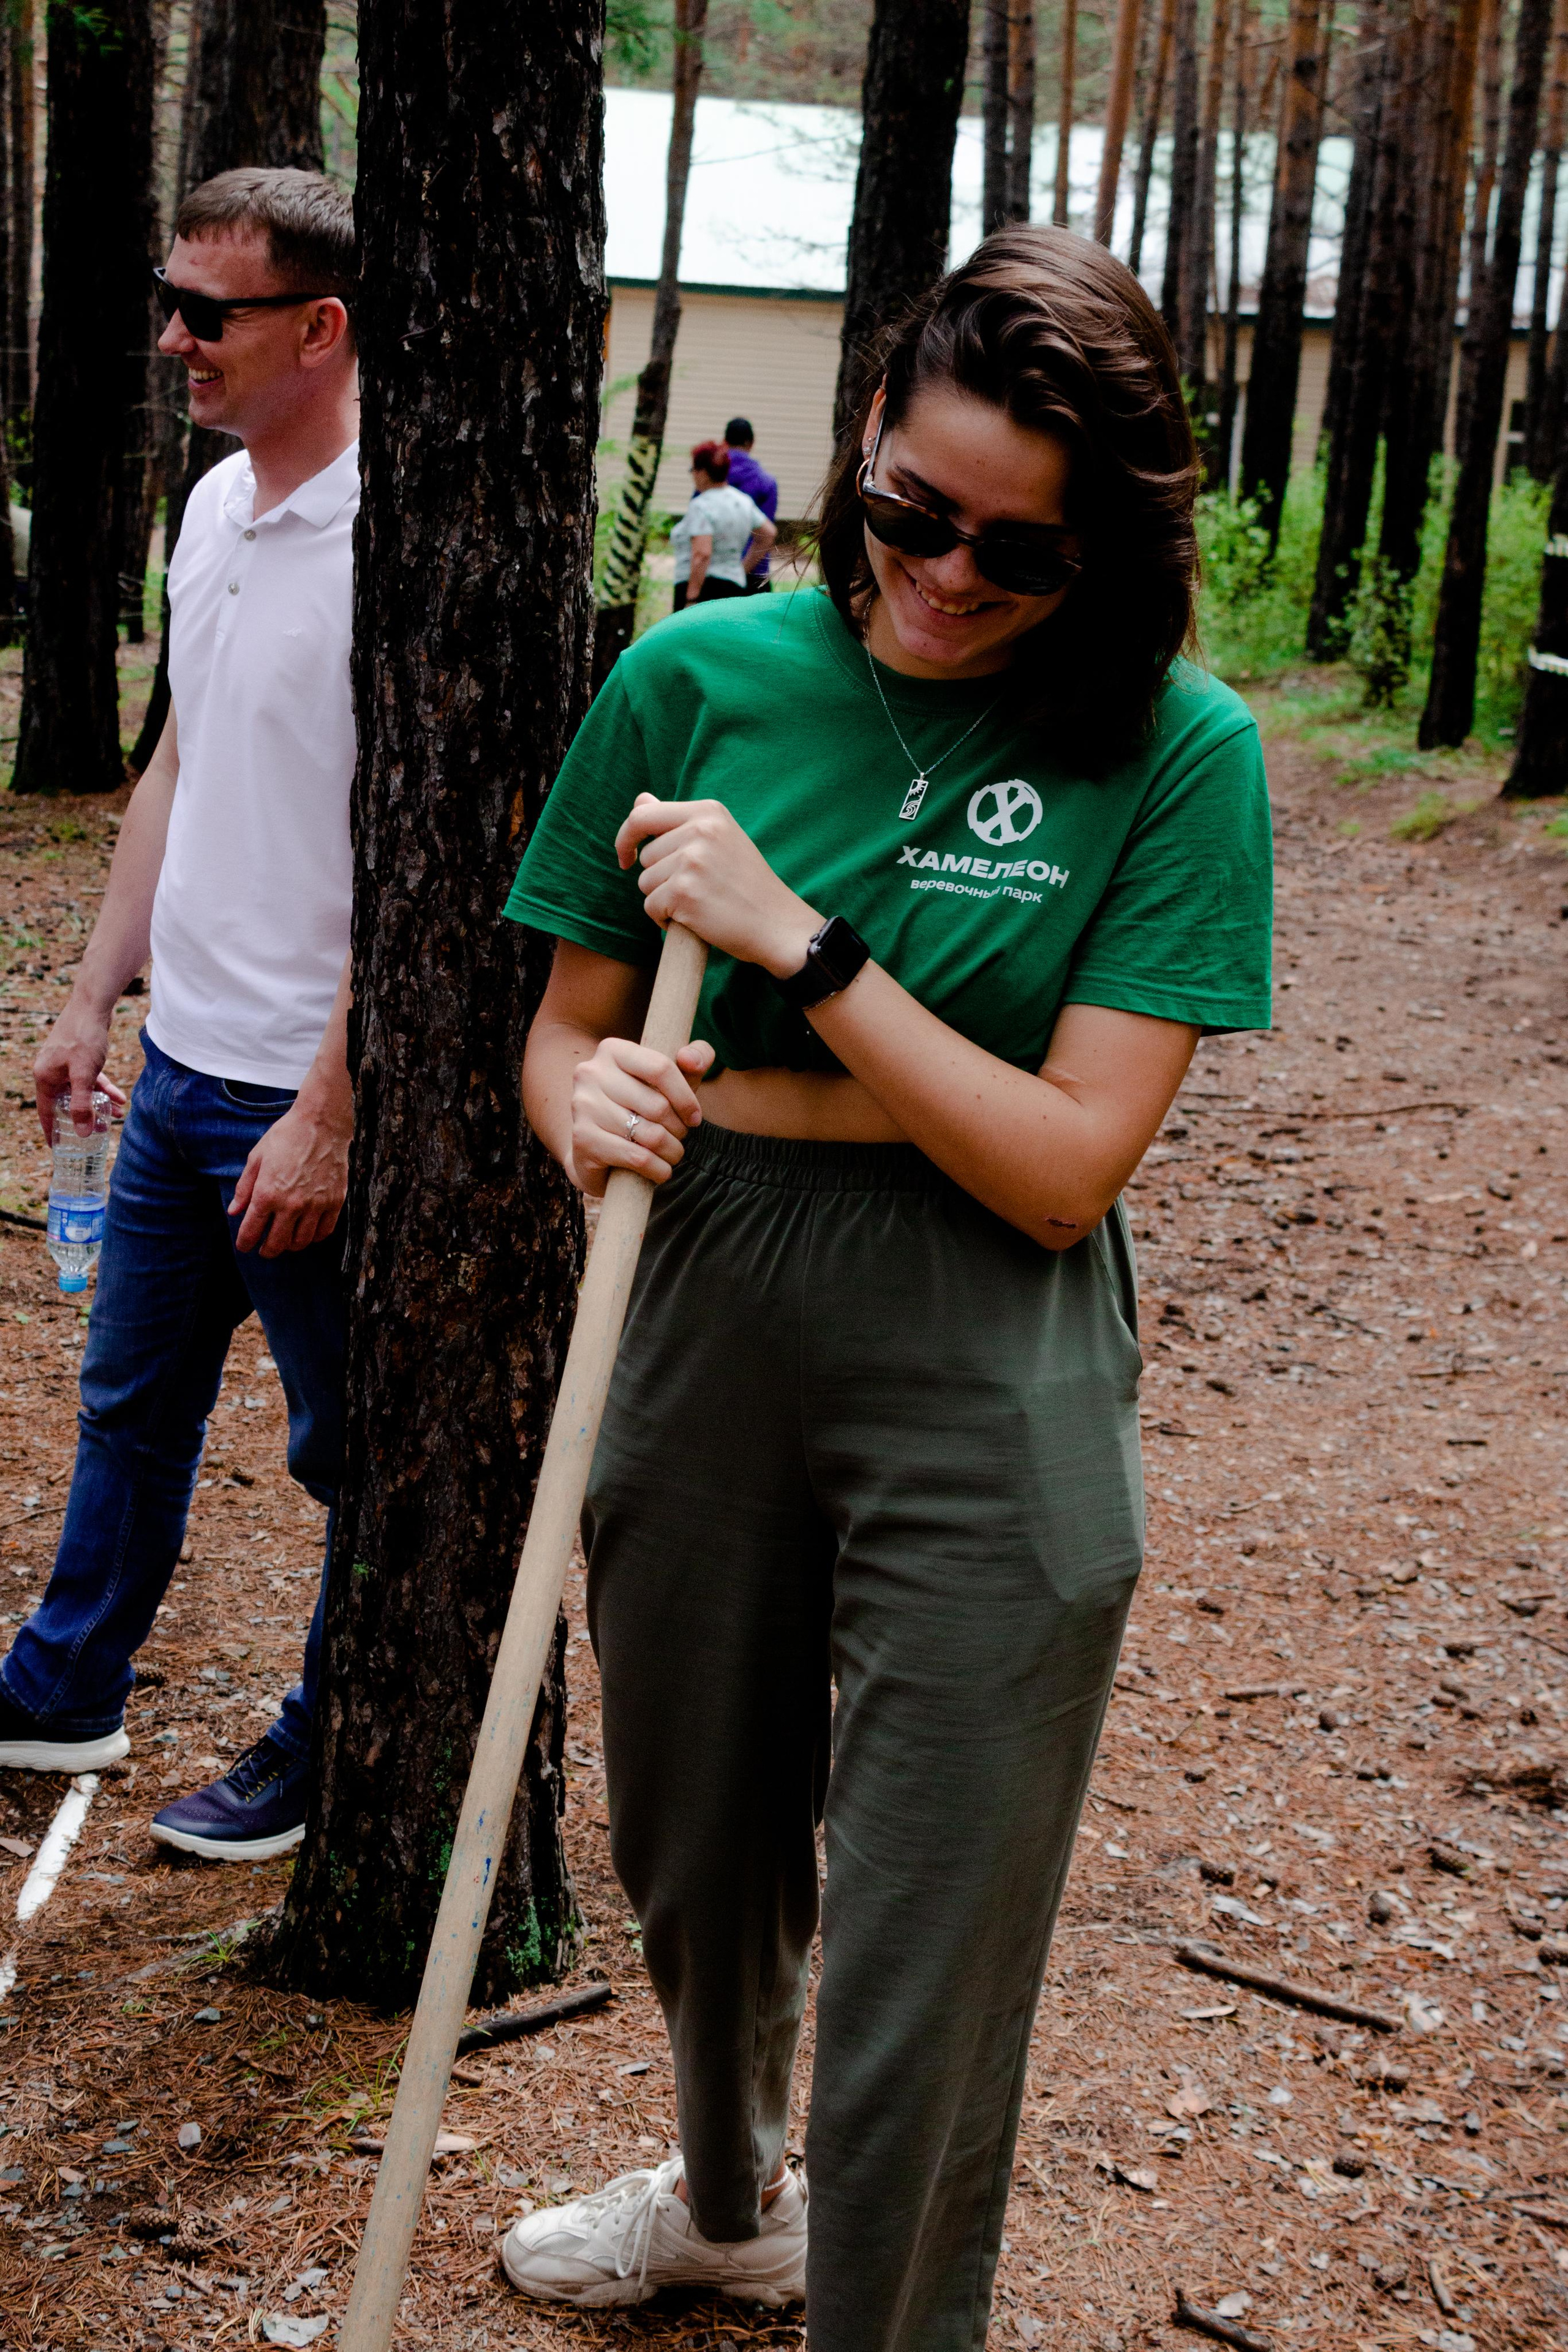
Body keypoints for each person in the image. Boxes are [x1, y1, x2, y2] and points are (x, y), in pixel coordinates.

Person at [496, 225, 1272, 2346]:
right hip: (709, 1281)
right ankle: (729, 2199)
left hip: (982, 1328)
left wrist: (803, 949)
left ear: (1099, 556)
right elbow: (563, 1032)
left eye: (1014, 556)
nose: (940, 578)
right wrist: (589, 1112)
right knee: (695, 1832)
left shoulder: (1177, 749)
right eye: (912, 514)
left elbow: (1061, 1169)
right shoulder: (695, 680)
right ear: (862, 444)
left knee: (936, 1920)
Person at [0, 167, 360, 1865]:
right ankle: (68, 1684)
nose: (174, 339)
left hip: (311, 1096)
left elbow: (445, 868)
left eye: (208, 312)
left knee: (353, 1457)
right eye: (171, 299)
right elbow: (176, 763)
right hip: (178, 1074)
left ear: (319, 327)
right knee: (131, 1406)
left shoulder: (401, 539)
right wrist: (93, 995)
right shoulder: (217, 506)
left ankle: (336, 1735)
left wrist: (334, 1109)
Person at [669, 440, 775, 611]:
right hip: (734, 586)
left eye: (694, 470)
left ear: (703, 473)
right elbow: (768, 533)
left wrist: (691, 598)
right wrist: (741, 570)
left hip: (702, 589)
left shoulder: (702, 505)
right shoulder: (743, 502)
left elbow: (702, 554)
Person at [719, 415, 778, 591]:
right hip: (755, 572)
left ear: (725, 442)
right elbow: (765, 533)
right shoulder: (766, 482)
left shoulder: (711, 480)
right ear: (751, 443)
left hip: (717, 572)